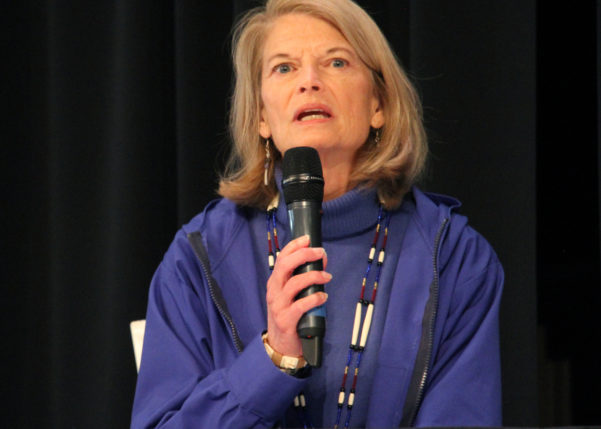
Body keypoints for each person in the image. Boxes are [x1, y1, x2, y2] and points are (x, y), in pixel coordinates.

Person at [131, 0, 503, 427]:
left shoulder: (455, 259)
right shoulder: (197, 258)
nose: (309, 81)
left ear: (378, 104)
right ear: (261, 116)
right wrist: (272, 360)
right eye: (284, 68)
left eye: (337, 62)